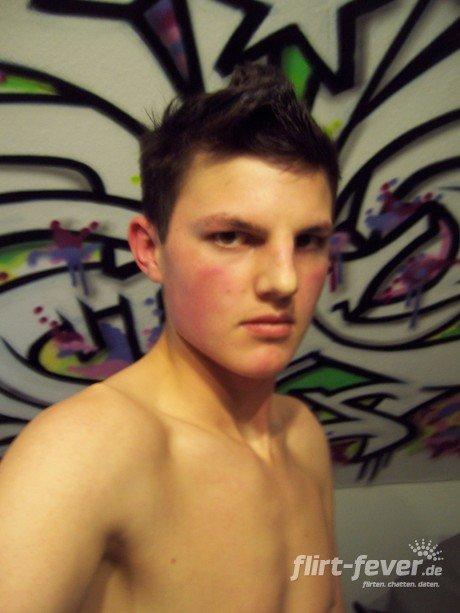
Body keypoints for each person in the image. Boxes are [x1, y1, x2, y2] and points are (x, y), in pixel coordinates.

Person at [0, 63, 344, 612]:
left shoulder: (303, 435)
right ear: (149, 249)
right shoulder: (81, 453)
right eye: (232, 236)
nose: (284, 281)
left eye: (309, 241)